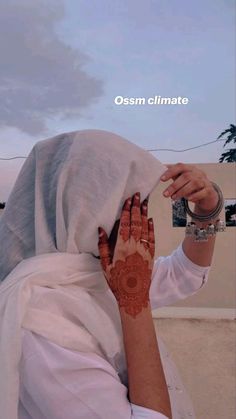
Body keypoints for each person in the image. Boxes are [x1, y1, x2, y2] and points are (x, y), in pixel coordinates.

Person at [0, 129, 222, 419]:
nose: (137, 218)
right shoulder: (38, 318)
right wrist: (134, 299)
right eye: (125, 203)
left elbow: (187, 273)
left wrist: (207, 209)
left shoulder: (92, 272)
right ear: (85, 208)